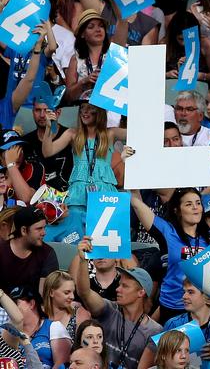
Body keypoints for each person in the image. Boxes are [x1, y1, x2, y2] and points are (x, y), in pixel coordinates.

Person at [42, 102, 125, 241]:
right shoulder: (72, 134)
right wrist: (48, 128)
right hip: (77, 194)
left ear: (99, 111)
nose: (85, 112)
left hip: (104, 192)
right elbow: (47, 151)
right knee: (77, 238)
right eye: (82, 109)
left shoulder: (110, 133)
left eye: (90, 108)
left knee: (104, 240)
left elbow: (137, 131)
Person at [75, 237, 162, 369]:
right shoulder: (109, 309)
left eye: (125, 286)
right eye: (119, 284)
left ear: (141, 292)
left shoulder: (154, 331)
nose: (117, 289)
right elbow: (84, 292)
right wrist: (83, 260)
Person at [129, 187, 210, 324]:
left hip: (200, 309)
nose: (195, 208)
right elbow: (137, 203)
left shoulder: (209, 237)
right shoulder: (167, 231)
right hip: (172, 307)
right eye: (189, 204)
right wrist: (134, 181)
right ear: (177, 210)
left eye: (198, 203)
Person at [142, 278, 210, 369]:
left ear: (207, 297)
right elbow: (159, 360)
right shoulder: (173, 324)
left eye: (190, 292)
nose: (184, 296)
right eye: (184, 292)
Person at [10, 285, 72, 369]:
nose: (10, 309)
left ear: (32, 304)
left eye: (15, 304)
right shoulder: (9, 334)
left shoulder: (53, 327)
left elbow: (61, 364)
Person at [0, 206, 58, 294]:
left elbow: (45, 294)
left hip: (34, 305)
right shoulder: (2, 251)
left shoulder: (47, 253)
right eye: (39, 229)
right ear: (24, 230)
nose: (44, 233)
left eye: (44, 228)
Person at [23, 100, 74, 192]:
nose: (42, 115)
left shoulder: (70, 137)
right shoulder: (25, 142)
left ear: (57, 113)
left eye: (47, 110)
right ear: (32, 112)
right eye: (38, 110)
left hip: (67, 197)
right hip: (35, 199)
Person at [42, 270, 90, 339]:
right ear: (51, 293)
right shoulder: (37, 314)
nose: (72, 297)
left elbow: (85, 347)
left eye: (73, 292)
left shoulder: (79, 314)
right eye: (67, 293)